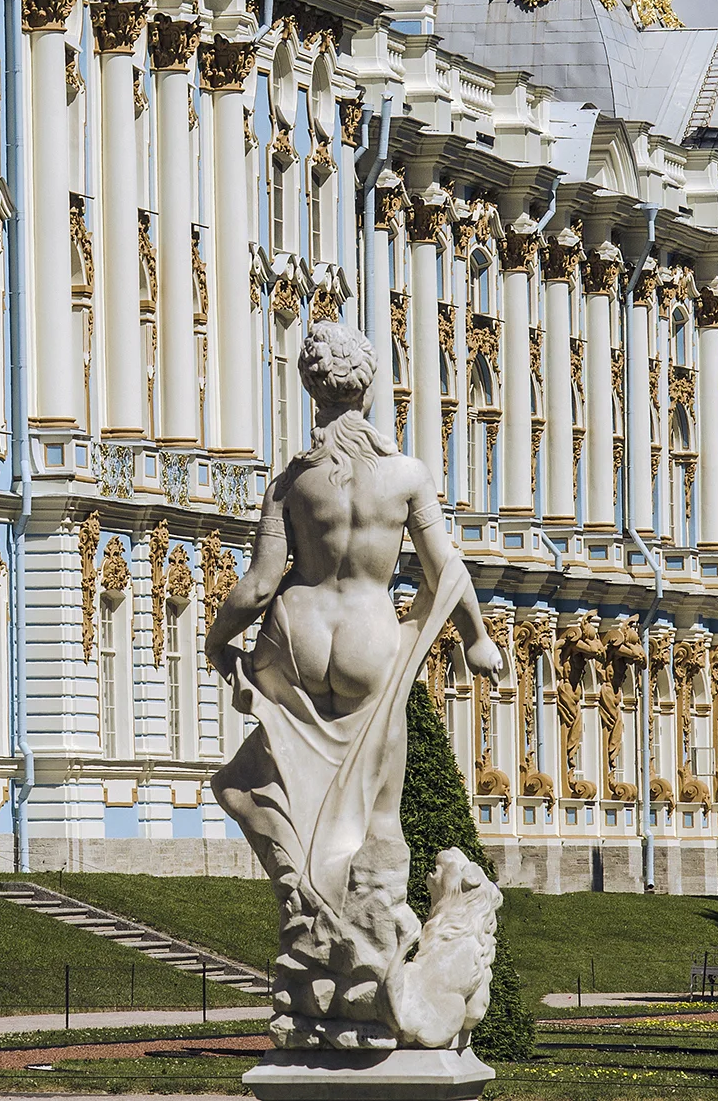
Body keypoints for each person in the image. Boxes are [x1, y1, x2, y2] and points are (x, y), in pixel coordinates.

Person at [205, 319, 502, 1052]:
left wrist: (217, 642)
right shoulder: (403, 476)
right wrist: (476, 638)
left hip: (295, 639)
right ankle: (365, 947)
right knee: (376, 810)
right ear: (367, 386)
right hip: (373, 641)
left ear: (309, 389)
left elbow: (257, 585)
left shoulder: (291, 481)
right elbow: (446, 569)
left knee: (261, 785)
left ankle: (309, 912)